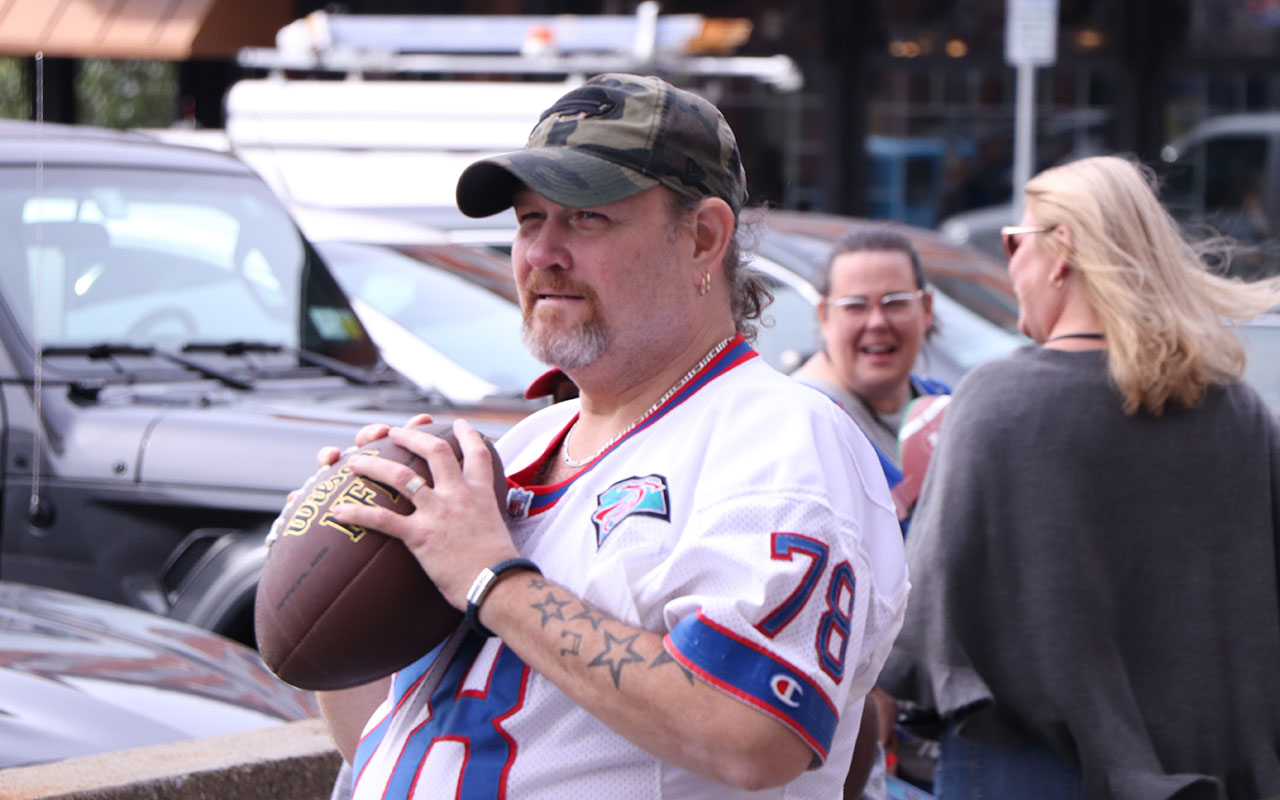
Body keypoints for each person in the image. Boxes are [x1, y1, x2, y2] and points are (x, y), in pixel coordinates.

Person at [313, 73, 910, 799]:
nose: (542, 253)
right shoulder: (516, 448)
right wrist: (346, 565)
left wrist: (494, 581)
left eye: (586, 218)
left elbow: (752, 735)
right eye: (530, 220)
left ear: (704, 237)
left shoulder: (780, 438)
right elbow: (399, 743)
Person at [877, 154, 1280, 800]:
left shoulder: (1000, 404)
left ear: (1060, 249)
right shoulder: (1240, 413)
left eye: (1014, 242)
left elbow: (929, 626)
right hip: (1213, 776)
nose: (1010, 266)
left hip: (1028, 773)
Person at [790, 225, 949, 530]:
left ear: (926, 309)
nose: (877, 322)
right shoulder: (804, 429)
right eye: (855, 306)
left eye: (896, 302)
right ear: (824, 316)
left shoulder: (945, 407)